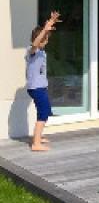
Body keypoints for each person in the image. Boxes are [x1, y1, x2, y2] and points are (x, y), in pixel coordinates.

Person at [26, 11, 61, 152]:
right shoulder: (31, 50)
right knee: (44, 112)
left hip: (40, 87)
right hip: (36, 88)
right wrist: (45, 30)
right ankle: (36, 144)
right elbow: (35, 43)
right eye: (45, 38)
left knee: (44, 111)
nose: (47, 40)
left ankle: (38, 137)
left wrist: (50, 22)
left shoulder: (42, 52)